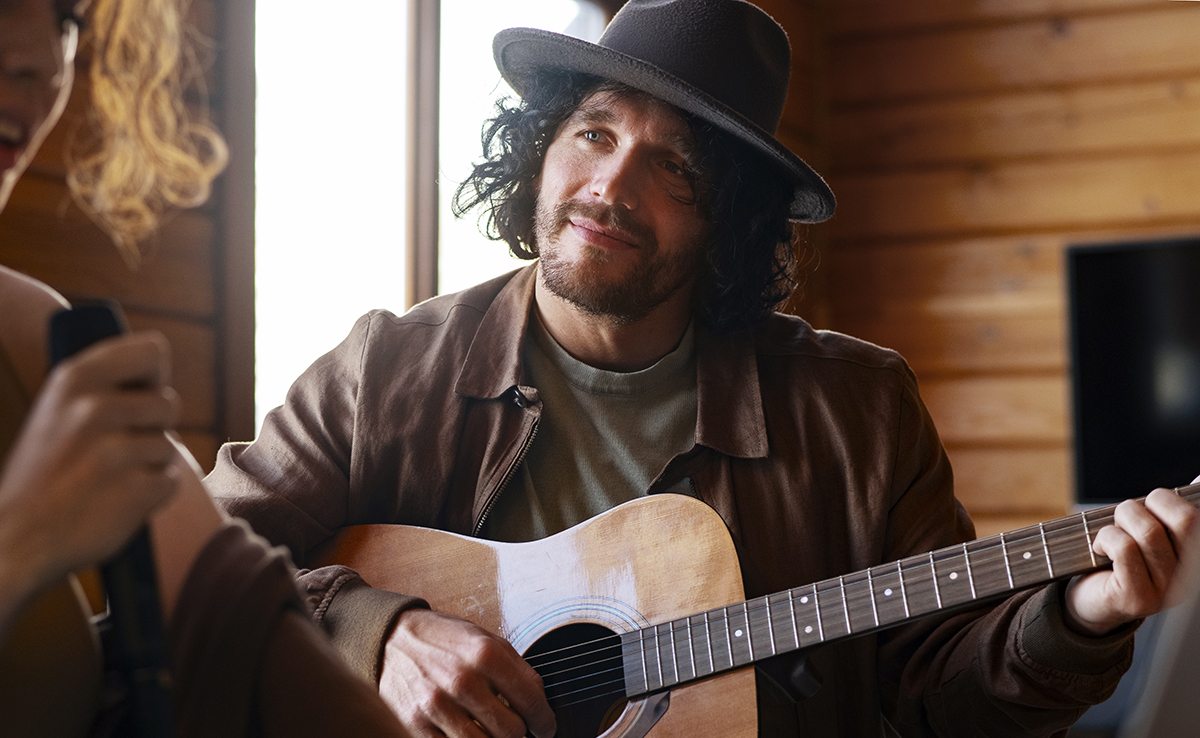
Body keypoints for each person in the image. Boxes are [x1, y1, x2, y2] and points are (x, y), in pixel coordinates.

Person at [206, 1, 1197, 736]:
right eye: (594, 131)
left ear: (728, 223)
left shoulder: (859, 412)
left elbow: (939, 693)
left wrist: (1085, 611)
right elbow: (197, 562)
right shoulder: (388, 372)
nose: (609, 185)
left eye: (673, 166)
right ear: (541, 149)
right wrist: (378, 634)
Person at [0, 0, 410, 735]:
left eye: (67, 16)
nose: (41, 58)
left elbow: (242, 614)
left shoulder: (31, 334)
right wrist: (20, 540)